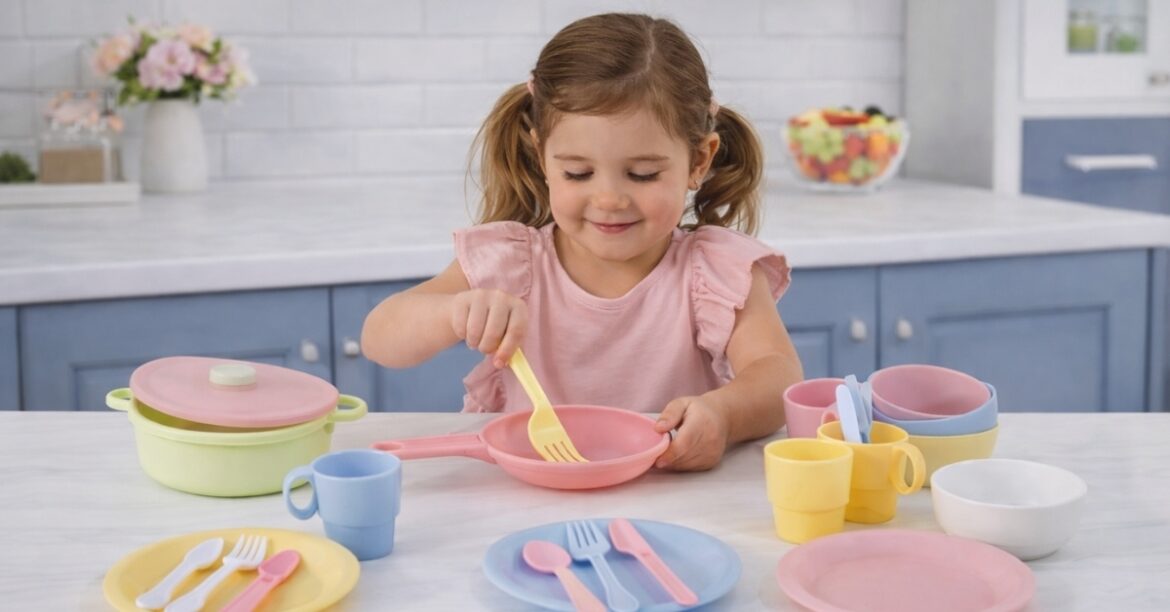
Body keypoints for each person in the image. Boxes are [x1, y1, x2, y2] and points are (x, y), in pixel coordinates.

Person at [362, 13, 803, 471]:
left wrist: (724, 415)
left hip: (667, 492)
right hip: (527, 493)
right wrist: (453, 312)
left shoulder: (713, 270)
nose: (609, 199)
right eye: (578, 173)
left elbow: (778, 376)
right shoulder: (512, 263)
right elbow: (379, 338)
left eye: (642, 174)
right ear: (542, 156)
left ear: (699, 160)